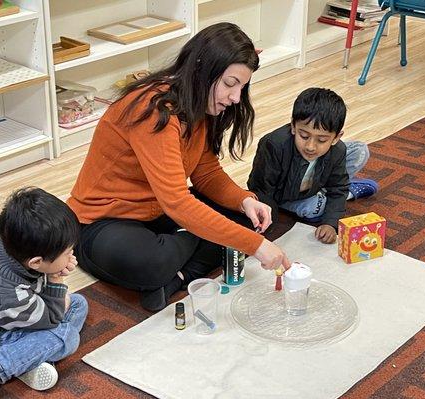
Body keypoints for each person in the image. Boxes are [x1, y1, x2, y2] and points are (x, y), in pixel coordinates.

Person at [67, 22, 290, 312]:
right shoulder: (153, 110)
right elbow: (177, 202)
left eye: (242, 87)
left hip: (158, 211)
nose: (236, 98)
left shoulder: (201, 106)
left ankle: (177, 278)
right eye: (230, 84)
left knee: (254, 214)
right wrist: (255, 246)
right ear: (202, 70)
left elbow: (206, 172)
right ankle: (184, 252)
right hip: (102, 221)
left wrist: (243, 200)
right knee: (154, 262)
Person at [0, 187, 88, 399]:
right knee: (66, 337)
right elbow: (52, 319)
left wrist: (53, 279)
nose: (72, 254)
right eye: (67, 252)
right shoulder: (7, 296)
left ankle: (26, 359)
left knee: (79, 303)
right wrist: (56, 279)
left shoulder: (9, 239)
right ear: (36, 262)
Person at [247, 87, 378, 244]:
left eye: (321, 140)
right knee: (315, 209)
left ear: (336, 137)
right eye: (304, 136)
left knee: (360, 150)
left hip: (317, 182)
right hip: (285, 196)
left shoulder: (338, 149)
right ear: (293, 126)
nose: (310, 146)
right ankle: (346, 193)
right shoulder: (274, 144)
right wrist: (265, 219)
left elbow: (337, 188)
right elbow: (260, 190)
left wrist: (330, 224)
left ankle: (338, 190)